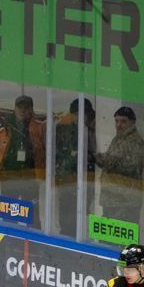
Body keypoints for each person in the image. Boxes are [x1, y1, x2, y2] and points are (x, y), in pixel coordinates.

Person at [0, 95, 46, 216]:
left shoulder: (38, 127)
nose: (22, 110)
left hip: (29, 177)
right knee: (8, 215)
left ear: (31, 109)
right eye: (20, 107)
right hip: (9, 177)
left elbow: (44, 149)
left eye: (26, 108)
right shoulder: (4, 127)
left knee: (32, 216)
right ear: (15, 108)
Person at [53, 98, 97, 237]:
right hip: (67, 179)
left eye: (85, 114)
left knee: (82, 214)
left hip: (85, 180)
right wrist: (70, 157)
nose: (81, 117)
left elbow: (93, 154)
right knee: (66, 215)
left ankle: (77, 237)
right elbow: (55, 152)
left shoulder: (92, 130)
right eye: (77, 114)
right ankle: (66, 237)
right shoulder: (63, 128)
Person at [95, 106, 144, 224]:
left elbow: (131, 167)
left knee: (120, 233)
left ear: (132, 122)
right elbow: (114, 157)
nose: (119, 125)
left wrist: (107, 161)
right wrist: (103, 158)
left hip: (124, 201)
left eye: (123, 121)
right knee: (109, 233)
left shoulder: (134, 141)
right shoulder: (119, 138)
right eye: (117, 121)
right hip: (114, 199)